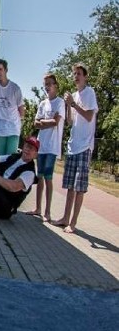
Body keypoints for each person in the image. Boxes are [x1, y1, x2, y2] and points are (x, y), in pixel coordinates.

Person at [51, 64, 99, 234]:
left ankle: (73, 222)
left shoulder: (89, 92)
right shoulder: (75, 95)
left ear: (85, 76)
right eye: (74, 74)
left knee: (79, 187)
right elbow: (71, 122)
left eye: (79, 74)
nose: (76, 76)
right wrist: (67, 105)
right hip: (73, 145)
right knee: (70, 186)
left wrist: (74, 104)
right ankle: (65, 218)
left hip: (84, 146)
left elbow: (88, 116)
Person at [24, 73, 65, 222]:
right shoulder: (42, 103)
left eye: (49, 84)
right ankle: (38, 208)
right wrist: (46, 121)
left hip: (52, 147)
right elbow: (36, 123)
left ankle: (47, 212)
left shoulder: (60, 103)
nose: (47, 87)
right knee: (39, 177)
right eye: (45, 84)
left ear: (55, 85)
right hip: (41, 146)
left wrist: (44, 121)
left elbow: (56, 122)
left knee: (48, 178)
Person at [0, 59, 24, 155]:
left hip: (13, 129)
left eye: (0, 69)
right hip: (0, 128)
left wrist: (13, 119)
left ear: (6, 70)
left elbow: (22, 111)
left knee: (9, 160)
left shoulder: (15, 88)